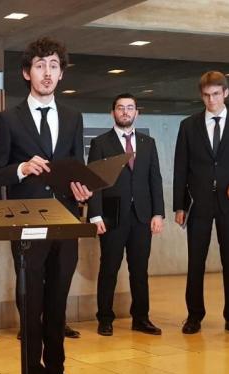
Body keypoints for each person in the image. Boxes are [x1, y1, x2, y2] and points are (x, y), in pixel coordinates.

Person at [0, 37, 97, 374]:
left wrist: (83, 189)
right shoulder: (8, 119)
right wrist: (20, 168)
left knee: (57, 305)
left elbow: (76, 168)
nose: (47, 73)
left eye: (53, 66)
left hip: (65, 223)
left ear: (61, 74)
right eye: (40, 66)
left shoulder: (73, 118)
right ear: (26, 73)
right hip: (27, 225)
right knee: (30, 304)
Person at [173, 71, 229, 336]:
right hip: (198, 203)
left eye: (216, 94)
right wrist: (179, 205)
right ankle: (194, 316)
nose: (211, 100)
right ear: (201, 96)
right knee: (195, 261)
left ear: (226, 93)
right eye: (206, 95)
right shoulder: (188, 125)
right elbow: (180, 168)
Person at [87, 93, 165, 336]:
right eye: (120, 108)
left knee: (139, 270)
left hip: (142, 216)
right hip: (112, 216)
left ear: (136, 113)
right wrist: (95, 215)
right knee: (109, 269)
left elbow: (155, 179)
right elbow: (94, 182)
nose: (125, 112)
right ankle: (105, 319)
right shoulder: (100, 143)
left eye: (130, 108)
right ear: (113, 113)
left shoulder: (147, 143)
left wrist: (158, 213)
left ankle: (141, 318)